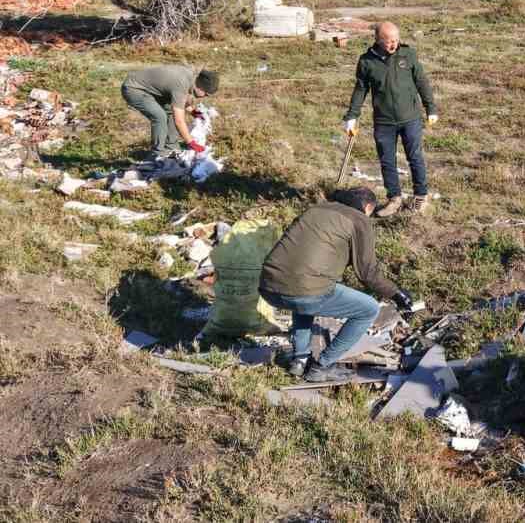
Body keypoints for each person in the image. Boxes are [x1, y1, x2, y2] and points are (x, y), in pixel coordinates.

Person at [258, 187, 415, 383]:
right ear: (367, 207)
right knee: (368, 309)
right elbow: (368, 273)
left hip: (268, 285)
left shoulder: (315, 210)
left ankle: (299, 360)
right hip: (303, 289)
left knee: (304, 296)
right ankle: (322, 366)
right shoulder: (359, 219)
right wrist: (397, 293)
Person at [344, 21, 437, 218]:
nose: (393, 45)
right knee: (387, 161)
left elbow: (422, 82)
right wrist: (352, 116)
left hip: (410, 118)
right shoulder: (366, 62)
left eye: (395, 40)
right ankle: (394, 198)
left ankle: (421, 195)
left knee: (415, 157)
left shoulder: (408, 55)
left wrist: (431, 108)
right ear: (377, 40)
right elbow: (360, 89)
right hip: (384, 121)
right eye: (388, 42)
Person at [120, 65, 219, 160]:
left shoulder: (191, 79)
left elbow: (179, 100)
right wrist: (191, 142)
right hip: (133, 88)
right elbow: (179, 121)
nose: (205, 97)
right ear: (200, 88)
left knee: (169, 110)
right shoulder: (181, 83)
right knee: (159, 116)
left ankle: (171, 147)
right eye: (206, 94)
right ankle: (158, 154)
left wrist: (193, 112)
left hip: (148, 89)